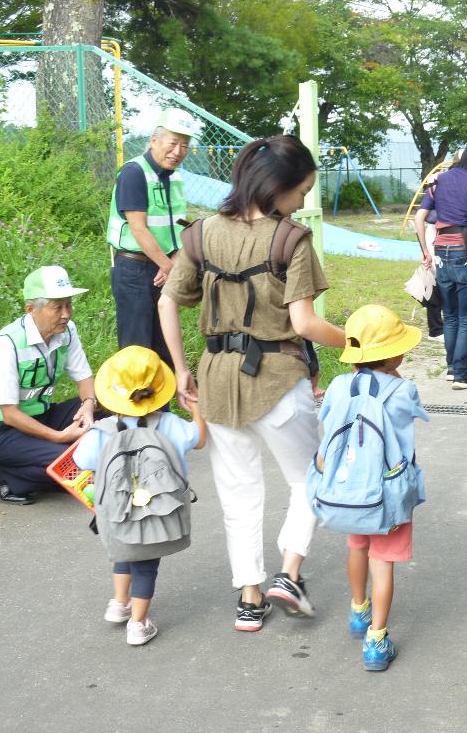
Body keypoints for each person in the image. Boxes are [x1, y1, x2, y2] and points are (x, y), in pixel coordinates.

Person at [157, 135, 346, 633]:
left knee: (238, 494)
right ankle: (288, 574)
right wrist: (355, 342)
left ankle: (249, 598)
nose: (303, 201)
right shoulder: (291, 239)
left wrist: (180, 369)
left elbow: (168, 302)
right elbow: (305, 325)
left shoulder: (200, 234)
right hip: (279, 379)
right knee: (313, 478)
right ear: (279, 187)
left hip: (217, 380)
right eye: (302, 190)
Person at [317, 304, 428, 671]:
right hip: (386, 495)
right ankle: (376, 642)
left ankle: (357, 611)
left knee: (357, 546)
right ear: (391, 353)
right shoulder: (404, 390)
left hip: (347, 492)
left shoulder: (337, 385)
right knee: (383, 563)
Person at [72, 345, 207, 646]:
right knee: (146, 564)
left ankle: (120, 604)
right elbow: (199, 439)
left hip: (117, 512)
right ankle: (138, 623)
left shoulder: (103, 430)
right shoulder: (169, 425)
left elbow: (81, 461)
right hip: (158, 511)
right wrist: (196, 408)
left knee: (123, 552)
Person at [0, 266, 96, 505]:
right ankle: (8, 476)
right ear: (31, 310)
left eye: (68, 304)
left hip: (40, 416)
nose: (66, 314)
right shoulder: (4, 345)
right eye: (57, 307)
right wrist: (59, 437)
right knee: (70, 460)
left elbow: (84, 378)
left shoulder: (67, 331)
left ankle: (53, 467)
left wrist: (88, 406)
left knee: (105, 412)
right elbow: (10, 415)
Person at [108, 107, 202, 370]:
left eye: (185, 145)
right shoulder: (134, 173)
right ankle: (134, 409)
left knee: (164, 345)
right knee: (137, 348)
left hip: (164, 267)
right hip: (133, 269)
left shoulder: (177, 178)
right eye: (173, 143)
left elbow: (177, 226)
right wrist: (169, 266)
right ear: (154, 140)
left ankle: (160, 409)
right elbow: (138, 228)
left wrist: (175, 258)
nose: (178, 151)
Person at [412, 140, 467, 390]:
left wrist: (425, 251)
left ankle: (452, 368)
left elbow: (419, 217)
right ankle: (461, 374)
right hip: (466, 252)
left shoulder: (438, 180)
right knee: (466, 319)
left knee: (449, 316)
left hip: (440, 252)